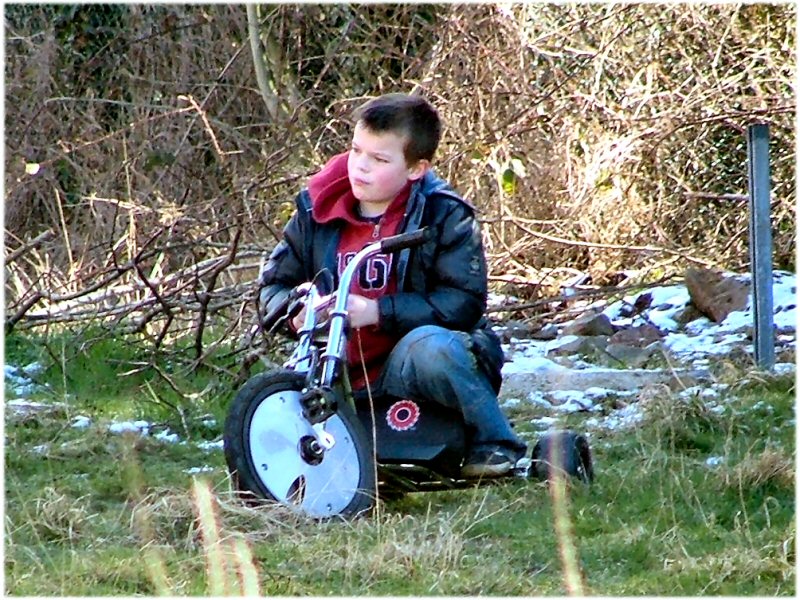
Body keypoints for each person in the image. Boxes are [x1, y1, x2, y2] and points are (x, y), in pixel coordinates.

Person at [258, 92, 526, 477]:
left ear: (416, 169)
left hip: (406, 364)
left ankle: (496, 444)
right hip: (335, 368)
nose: (360, 168)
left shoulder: (442, 213)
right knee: (269, 395)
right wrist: (295, 311)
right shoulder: (315, 208)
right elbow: (273, 287)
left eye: (380, 159)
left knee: (434, 348)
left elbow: (463, 302)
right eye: (355, 151)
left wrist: (376, 312)